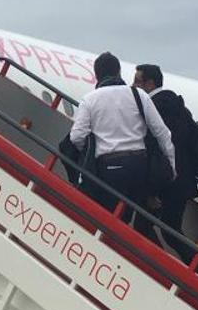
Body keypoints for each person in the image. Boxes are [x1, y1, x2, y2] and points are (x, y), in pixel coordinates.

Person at [69, 52, 175, 236]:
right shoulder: (138, 95)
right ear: (118, 72)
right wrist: (171, 166)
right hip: (138, 167)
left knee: (108, 221)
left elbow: (76, 136)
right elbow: (162, 133)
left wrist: (89, 153)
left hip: (109, 168)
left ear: (97, 75)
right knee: (129, 219)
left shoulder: (91, 99)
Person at [132, 64, 198, 263]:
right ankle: (189, 272)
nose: (133, 86)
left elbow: (156, 150)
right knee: (169, 229)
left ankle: (174, 271)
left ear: (150, 83)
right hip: (181, 181)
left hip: (168, 182)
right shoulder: (178, 106)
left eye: (137, 82)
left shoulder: (155, 107)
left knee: (150, 228)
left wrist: (152, 191)